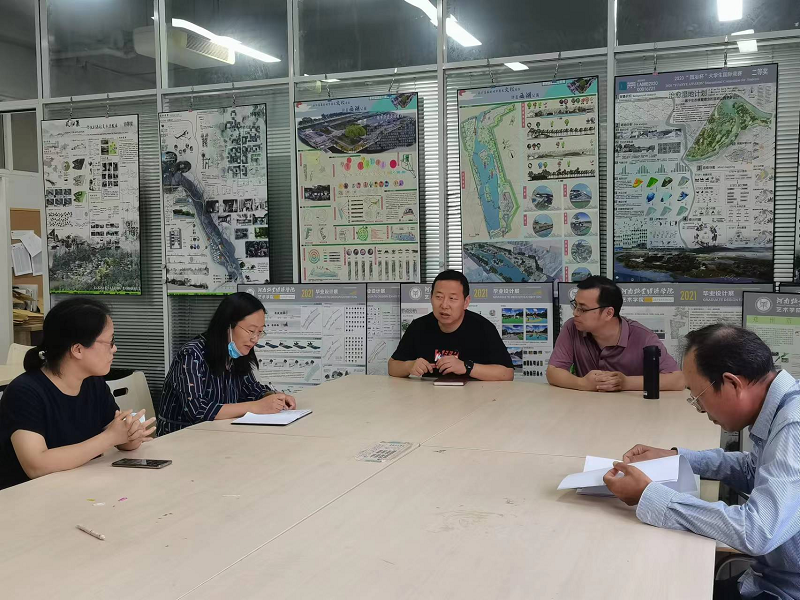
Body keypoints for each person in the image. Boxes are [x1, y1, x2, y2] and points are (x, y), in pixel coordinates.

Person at [603, 325, 800, 600]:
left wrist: (648, 495)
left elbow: (757, 532)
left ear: (732, 383)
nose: (701, 410)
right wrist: (679, 458)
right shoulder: (782, 406)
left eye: (699, 397)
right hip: (765, 577)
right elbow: (752, 470)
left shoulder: (793, 426)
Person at [0, 299, 155, 490]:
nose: (114, 349)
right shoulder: (24, 392)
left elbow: (115, 434)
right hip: (28, 498)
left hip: (78, 488)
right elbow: (36, 465)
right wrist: (110, 438)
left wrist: (130, 435)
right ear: (78, 349)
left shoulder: (93, 383)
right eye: (110, 342)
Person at [158, 292, 296, 435]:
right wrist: (256, 407)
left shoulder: (236, 353)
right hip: (181, 438)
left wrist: (273, 397)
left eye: (260, 332)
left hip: (219, 435)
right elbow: (198, 410)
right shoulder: (191, 355)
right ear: (228, 325)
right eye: (251, 331)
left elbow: (250, 390)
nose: (255, 339)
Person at [547, 276, 684, 392]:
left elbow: (677, 380)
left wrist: (625, 383)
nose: (575, 313)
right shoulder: (572, 328)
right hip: (587, 409)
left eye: (582, 309)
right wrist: (582, 383)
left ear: (608, 313)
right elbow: (553, 371)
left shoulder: (643, 337)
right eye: (575, 305)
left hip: (632, 410)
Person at [388, 270, 514, 381]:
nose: (444, 305)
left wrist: (467, 367)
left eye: (452, 298)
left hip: (474, 396)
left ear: (466, 302)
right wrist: (409, 366)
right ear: (431, 298)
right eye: (439, 297)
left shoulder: (483, 328)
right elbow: (392, 366)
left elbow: (507, 373)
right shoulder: (419, 326)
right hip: (430, 396)